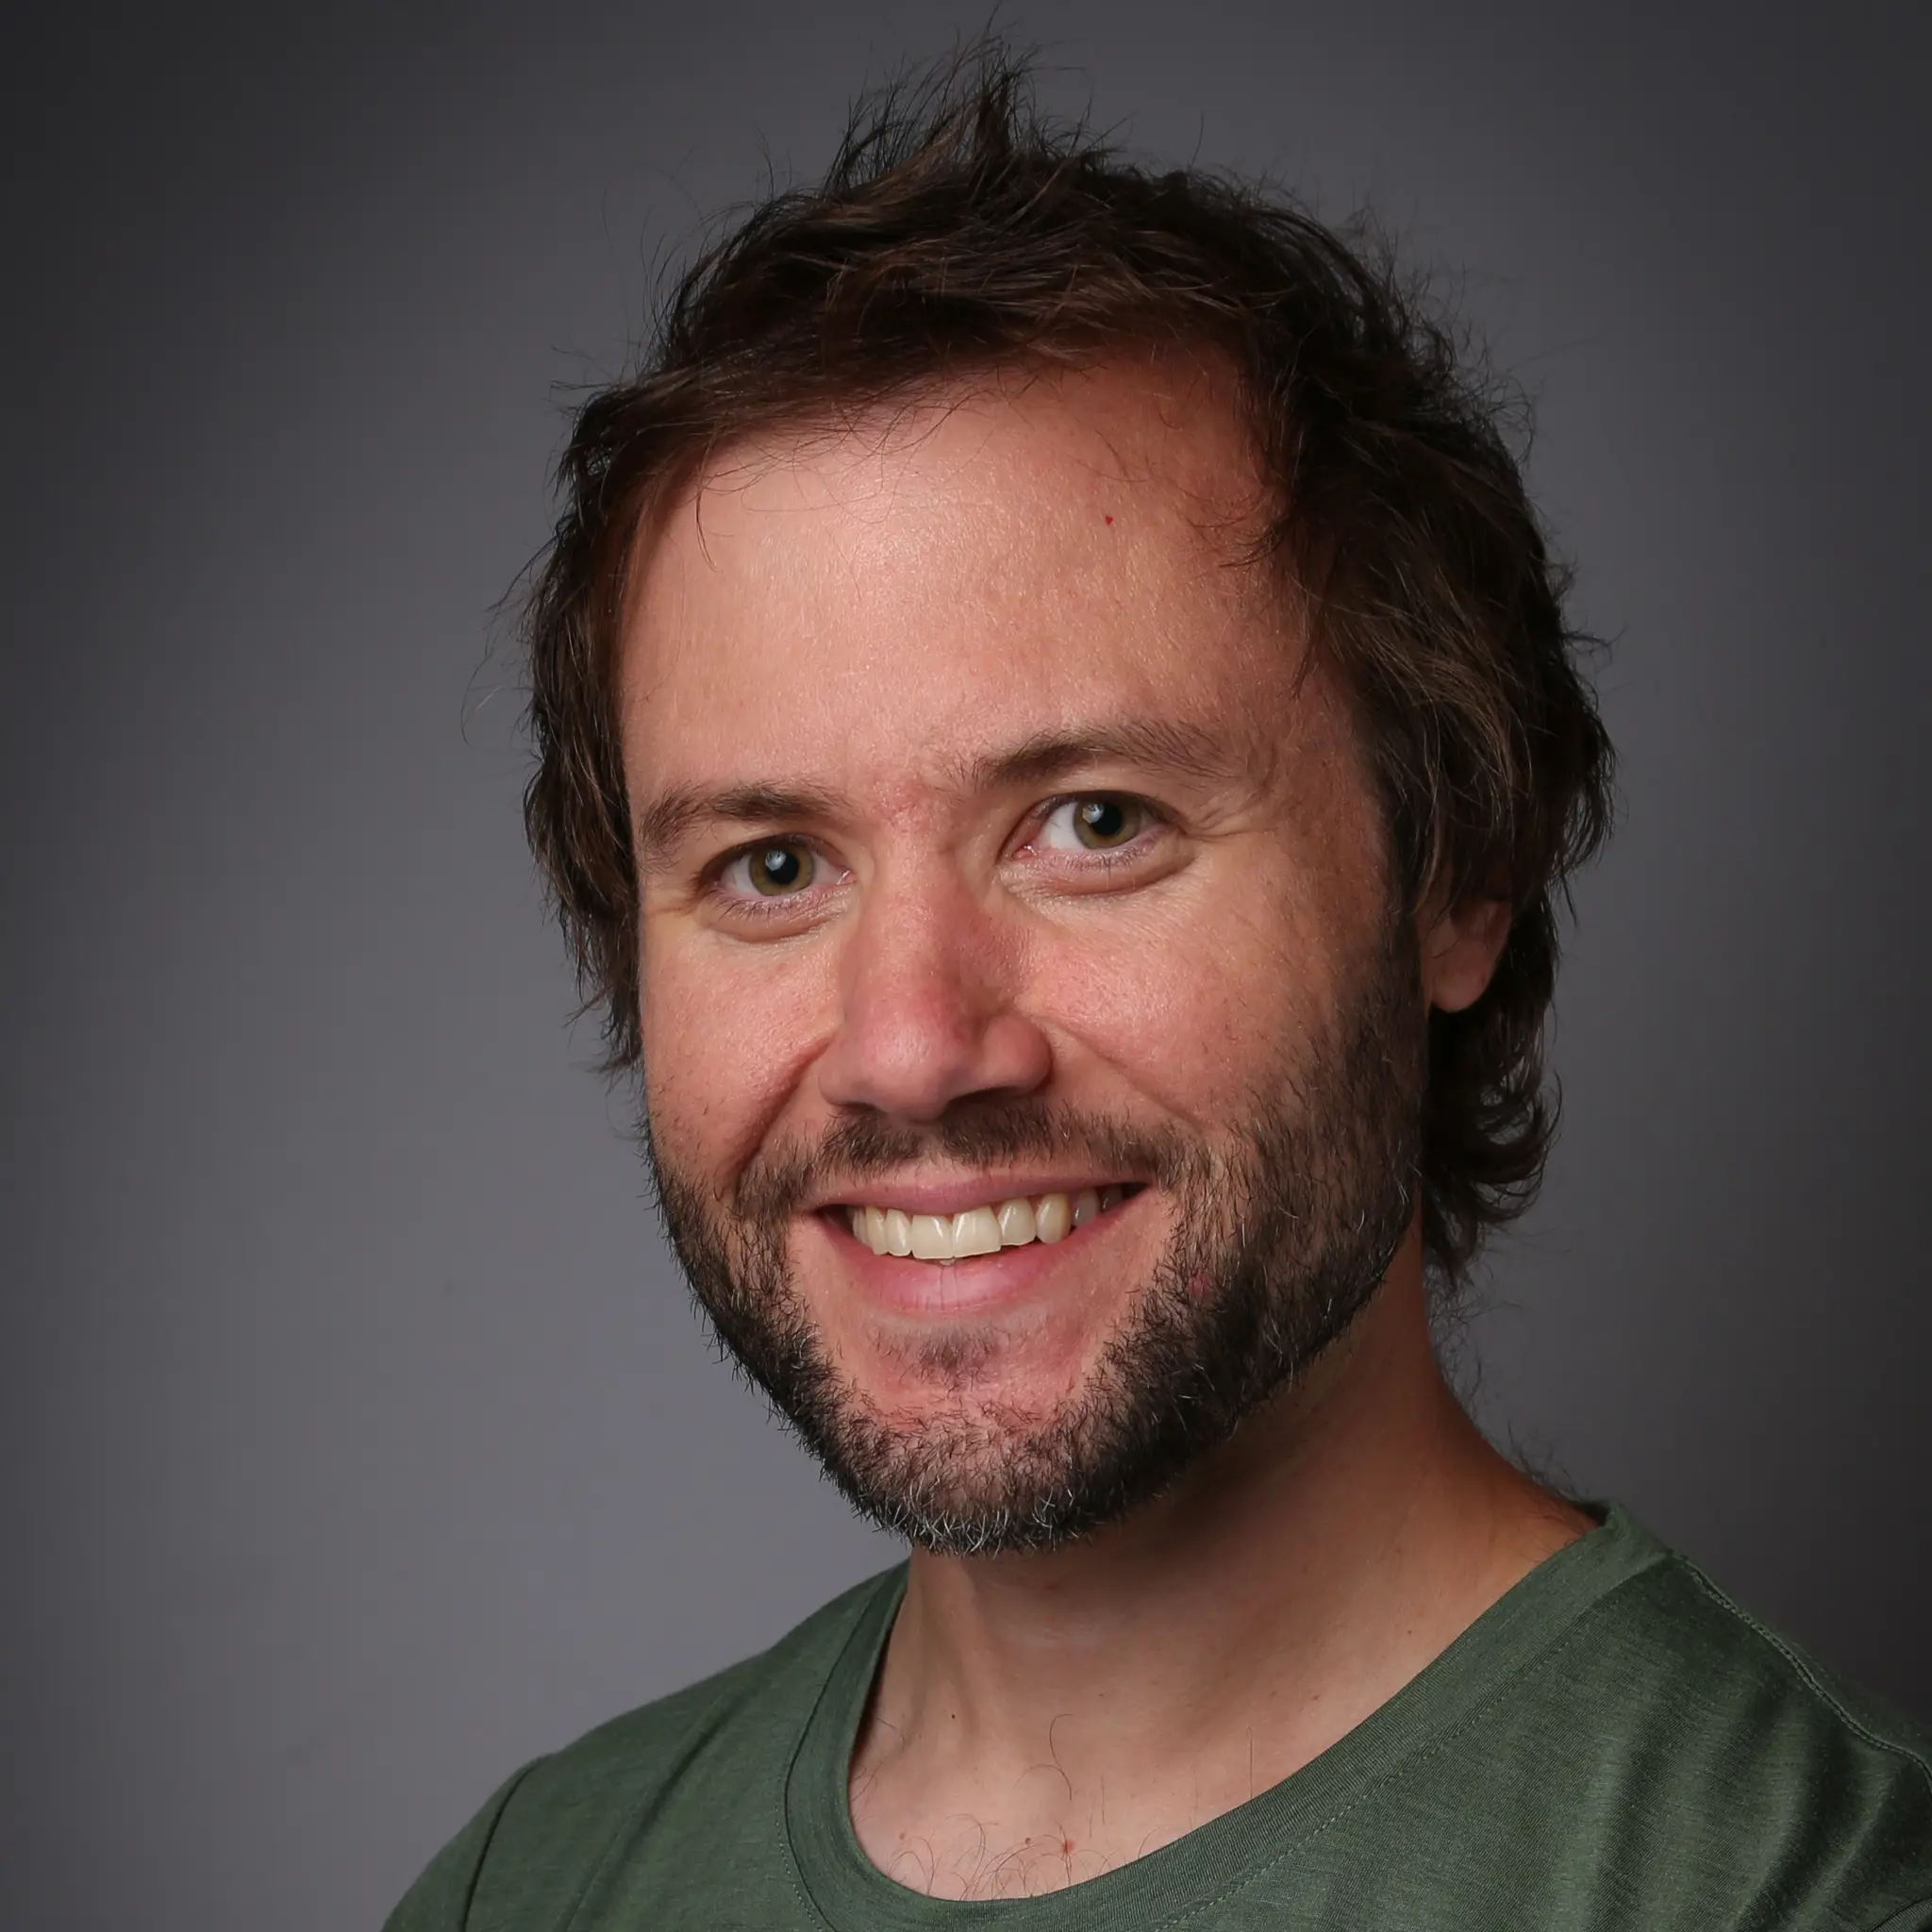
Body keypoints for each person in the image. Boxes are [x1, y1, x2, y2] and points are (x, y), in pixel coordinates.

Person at [385, 47, 1932, 1931]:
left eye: (1094, 822)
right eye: (773, 865)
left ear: (1455, 874)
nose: (910, 1046)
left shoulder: (1805, 1889)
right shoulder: (531, 1889)